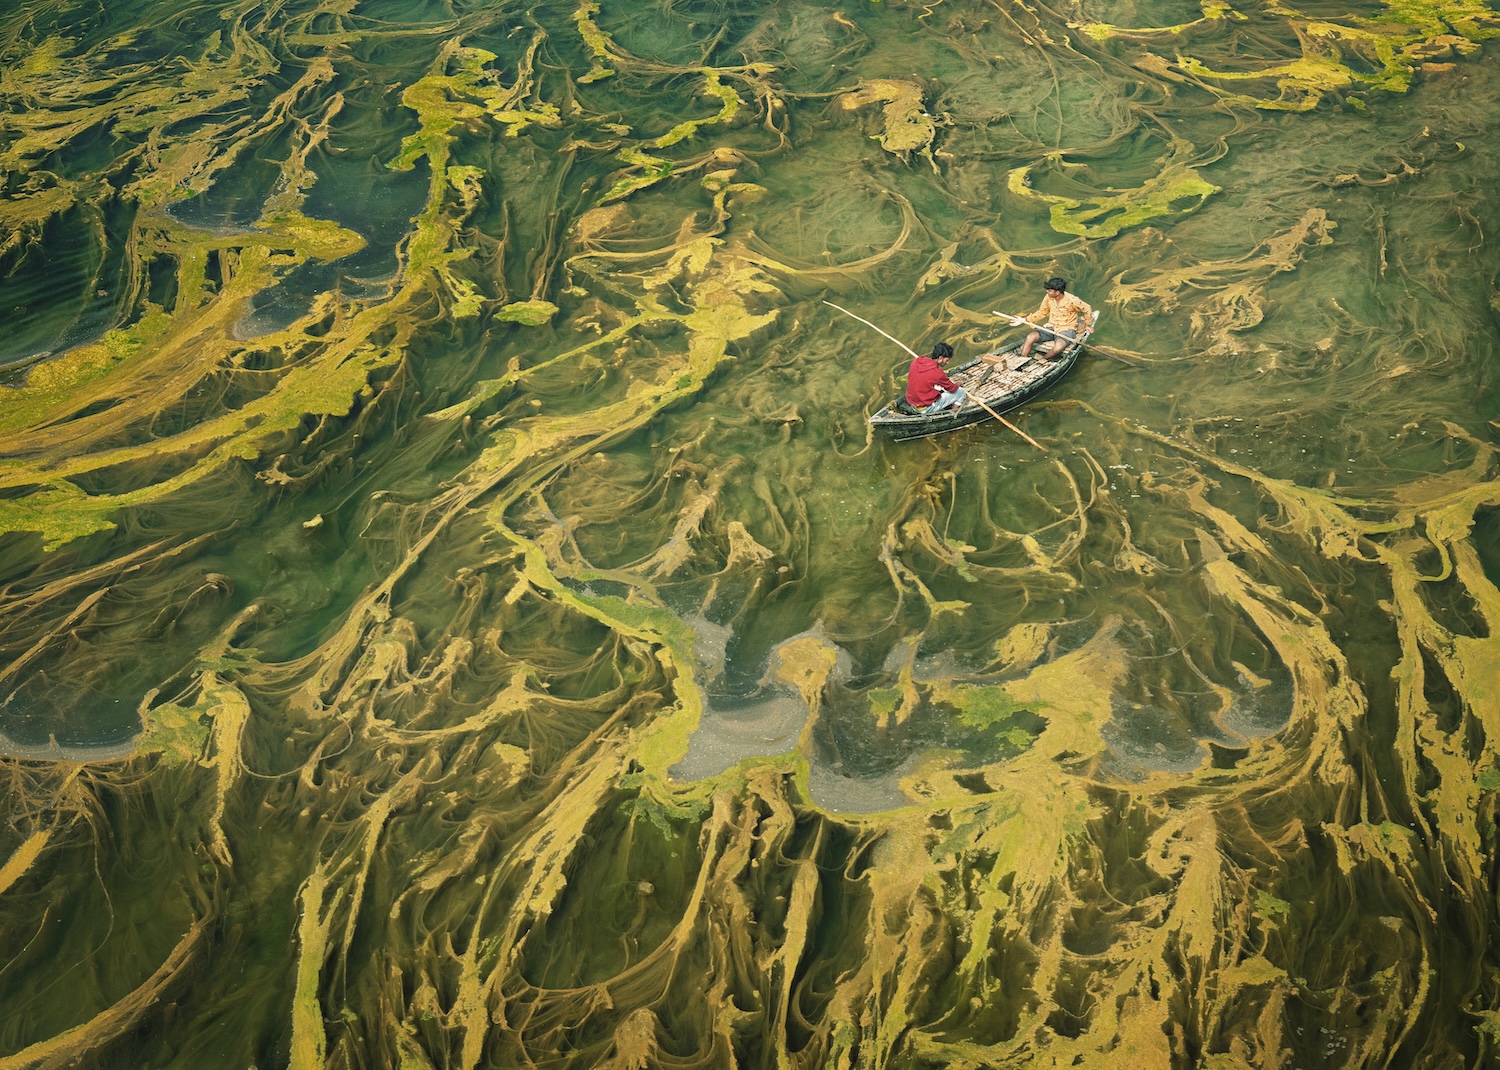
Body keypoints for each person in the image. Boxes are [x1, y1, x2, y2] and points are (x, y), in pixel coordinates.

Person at [1008, 277, 1093, 362]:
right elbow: (1042, 312)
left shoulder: (1072, 300)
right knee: (1030, 337)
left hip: (1066, 329)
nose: (1047, 292)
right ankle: (1021, 360)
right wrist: (1025, 319)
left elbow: (1087, 308)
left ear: (1057, 292)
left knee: (1058, 347)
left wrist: (1087, 324)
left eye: (1049, 290)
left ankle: (1043, 360)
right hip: (1051, 326)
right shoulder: (1048, 297)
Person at [905, 341, 967, 414]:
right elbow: (952, 389)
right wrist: (957, 384)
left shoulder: (916, 361)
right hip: (925, 409)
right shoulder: (938, 373)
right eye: (947, 360)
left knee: (937, 387)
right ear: (940, 358)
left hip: (911, 402)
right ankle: (953, 414)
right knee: (961, 392)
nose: (947, 363)